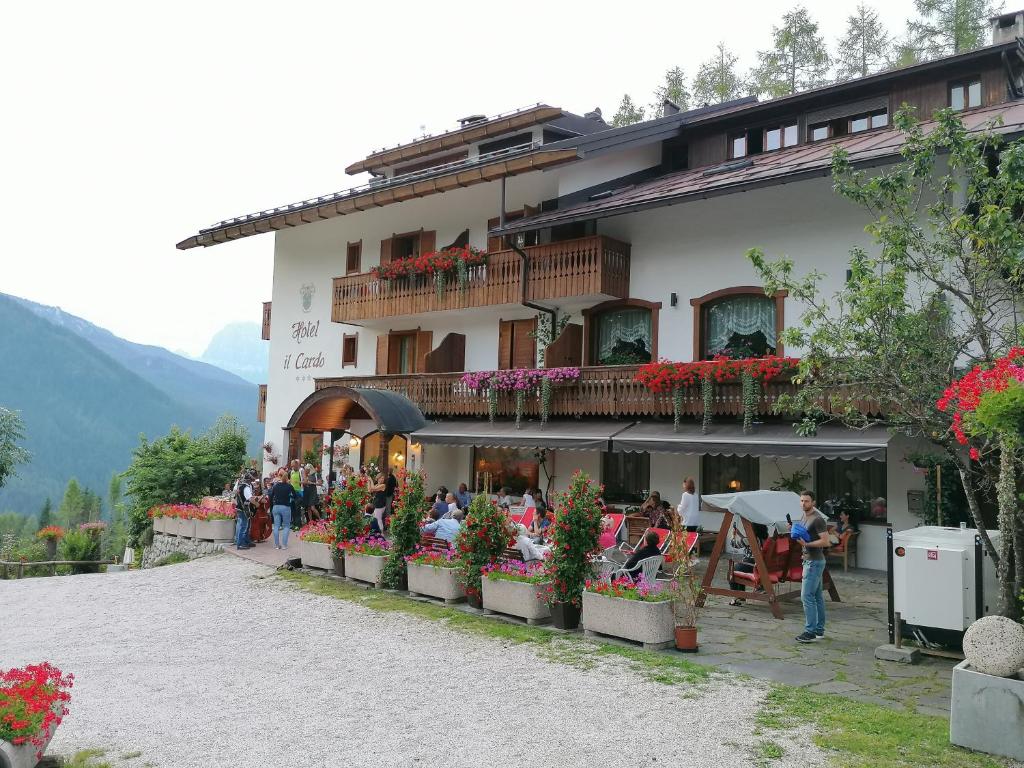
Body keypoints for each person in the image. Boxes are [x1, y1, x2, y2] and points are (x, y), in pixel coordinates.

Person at [795, 490, 831, 643]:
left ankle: (809, 632)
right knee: (817, 597)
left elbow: (825, 541)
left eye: (807, 501)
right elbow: (805, 537)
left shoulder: (818, 519)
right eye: (802, 501)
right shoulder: (804, 516)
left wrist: (807, 544)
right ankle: (819, 631)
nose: (804, 503)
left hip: (814, 562)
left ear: (813, 502)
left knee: (806, 596)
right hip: (808, 560)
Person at [727, 521, 769, 606]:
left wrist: (733, 535)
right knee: (739, 568)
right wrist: (739, 534)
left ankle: (735, 597)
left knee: (732, 572)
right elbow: (747, 542)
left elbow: (734, 544)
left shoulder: (751, 539)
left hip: (751, 565)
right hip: (760, 565)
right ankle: (741, 596)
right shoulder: (765, 539)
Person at [269, 469, 298, 550]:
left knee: (276, 526)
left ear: (281, 477)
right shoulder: (289, 486)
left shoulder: (276, 485)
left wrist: (272, 506)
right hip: (285, 507)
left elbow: (271, 496)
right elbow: (295, 496)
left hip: (276, 507)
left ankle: (277, 545)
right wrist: (290, 497)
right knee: (286, 526)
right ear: (288, 478)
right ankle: (284, 545)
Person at [233, 471, 254, 550]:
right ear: (249, 481)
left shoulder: (240, 486)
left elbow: (235, 493)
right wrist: (256, 503)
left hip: (239, 507)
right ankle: (240, 544)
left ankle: (240, 543)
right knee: (244, 526)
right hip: (243, 508)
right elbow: (250, 498)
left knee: (242, 525)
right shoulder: (246, 488)